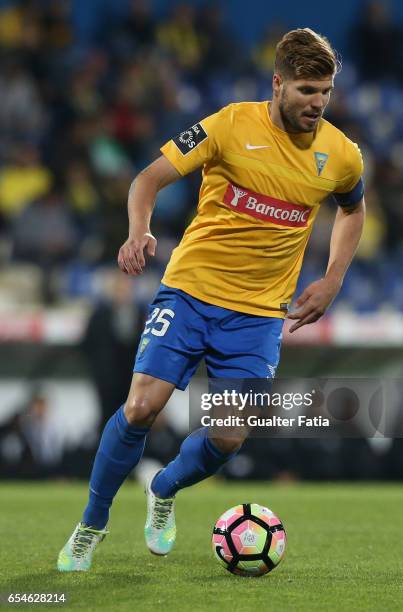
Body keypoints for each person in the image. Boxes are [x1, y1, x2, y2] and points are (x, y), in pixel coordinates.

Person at [57, 28, 365, 571]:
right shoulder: (228, 124)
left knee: (229, 434)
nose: (317, 103)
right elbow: (148, 179)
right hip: (191, 292)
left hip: (258, 316)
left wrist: (333, 277)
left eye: (325, 92)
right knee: (141, 408)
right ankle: (92, 524)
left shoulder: (341, 155)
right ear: (278, 84)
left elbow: (352, 209)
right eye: (306, 90)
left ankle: (164, 488)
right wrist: (138, 232)